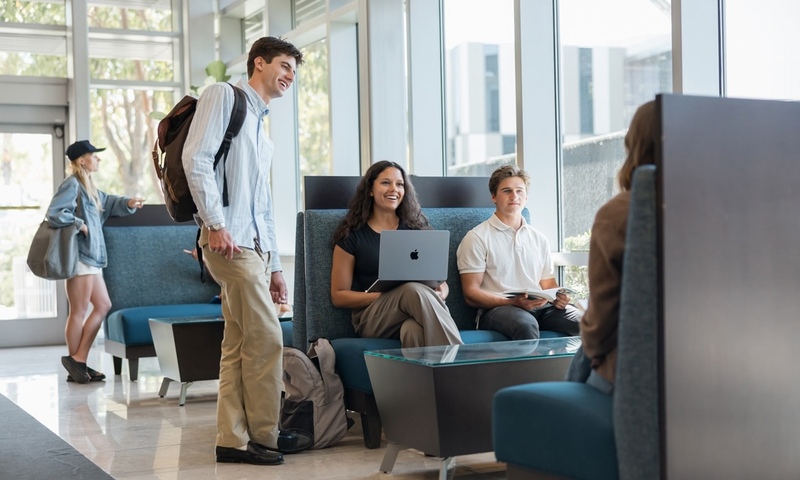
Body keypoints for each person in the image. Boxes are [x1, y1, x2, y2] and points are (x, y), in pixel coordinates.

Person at [183, 37, 311, 466]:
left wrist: (274, 266)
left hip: (251, 246)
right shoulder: (224, 95)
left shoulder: (260, 129)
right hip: (228, 241)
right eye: (284, 65)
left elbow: (263, 206)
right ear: (259, 63)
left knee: (238, 343)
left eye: (294, 70)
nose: (290, 75)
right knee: (267, 336)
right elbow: (196, 159)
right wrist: (215, 223)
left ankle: (232, 439)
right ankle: (266, 434)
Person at [330, 160, 464, 347]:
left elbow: (440, 282)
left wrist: (439, 294)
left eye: (400, 184)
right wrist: (388, 296)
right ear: (370, 189)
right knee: (410, 290)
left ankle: (427, 367)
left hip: (412, 310)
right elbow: (338, 296)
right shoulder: (352, 236)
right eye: (386, 183)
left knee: (413, 330)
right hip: (372, 316)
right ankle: (459, 359)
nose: (394, 189)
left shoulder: (416, 230)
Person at [47, 140, 144, 384]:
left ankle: (78, 361)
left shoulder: (89, 186)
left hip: (92, 258)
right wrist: (80, 224)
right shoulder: (72, 184)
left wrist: (128, 203)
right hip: (81, 257)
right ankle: (77, 364)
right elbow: (55, 212)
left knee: (102, 305)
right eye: (94, 155)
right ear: (82, 160)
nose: (98, 159)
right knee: (79, 311)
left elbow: (108, 202)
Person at [580, 100, 657, 395]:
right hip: (714, 373)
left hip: (638, 373)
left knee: (583, 350)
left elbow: (601, 325)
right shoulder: (729, 210)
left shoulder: (621, 213)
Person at [456, 164, 580, 340]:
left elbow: (548, 285)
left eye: (519, 191)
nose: (514, 196)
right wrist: (513, 301)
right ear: (494, 196)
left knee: (588, 322)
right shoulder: (476, 237)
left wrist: (559, 297)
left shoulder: (539, 239)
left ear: (526, 197)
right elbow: (471, 294)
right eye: (507, 191)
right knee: (526, 325)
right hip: (499, 309)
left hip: (541, 307)